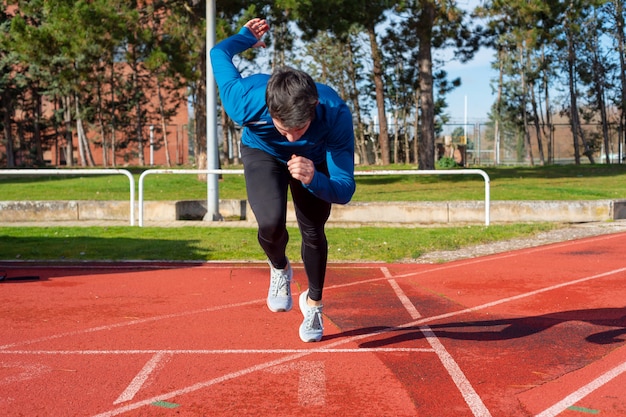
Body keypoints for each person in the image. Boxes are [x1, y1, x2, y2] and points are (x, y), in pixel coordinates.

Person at [210, 17, 356, 342]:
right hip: (262, 153)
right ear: (269, 109)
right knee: (270, 224)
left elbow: (345, 189)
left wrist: (315, 178)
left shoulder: (335, 115)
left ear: (314, 108)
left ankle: (314, 304)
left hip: (314, 163)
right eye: (283, 127)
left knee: (313, 230)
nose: (291, 138)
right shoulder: (244, 99)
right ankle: (279, 268)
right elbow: (219, 53)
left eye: (300, 129)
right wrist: (245, 37)